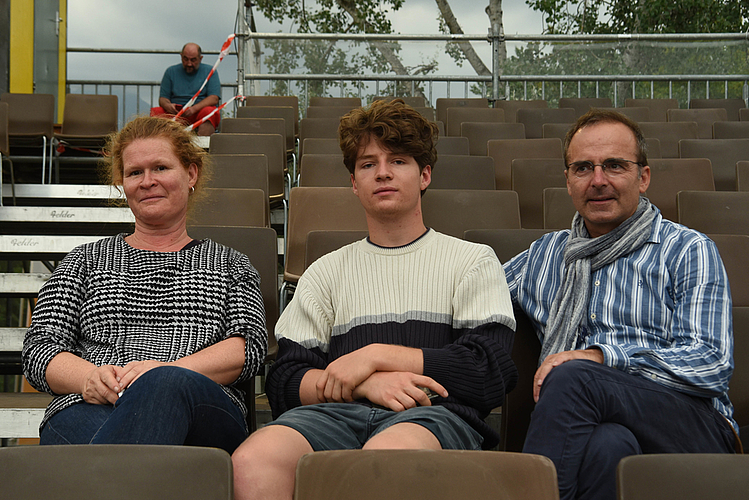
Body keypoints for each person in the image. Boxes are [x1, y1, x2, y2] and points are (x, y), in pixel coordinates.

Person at [232, 99, 517, 500]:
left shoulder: (472, 261)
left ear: (425, 175)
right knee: (253, 459)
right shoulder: (324, 272)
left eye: (398, 161)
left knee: (382, 460)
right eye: (367, 164)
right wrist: (368, 385)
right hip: (332, 415)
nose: (382, 173)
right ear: (353, 182)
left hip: (433, 417)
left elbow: (488, 371)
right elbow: (284, 381)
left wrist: (376, 355)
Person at [503, 108, 738, 500]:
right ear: (567, 180)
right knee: (607, 446)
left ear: (642, 177)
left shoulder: (687, 250)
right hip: (589, 424)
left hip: (691, 425)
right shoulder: (545, 256)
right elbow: (471, 295)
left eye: (614, 166)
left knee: (573, 376)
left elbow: (711, 363)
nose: (598, 181)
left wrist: (603, 357)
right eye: (583, 168)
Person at [22, 116, 267, 453]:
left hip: (202, 409)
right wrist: (89, 379)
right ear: (123, 183)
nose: (148, 181)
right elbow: (40, 349)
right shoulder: (83, 261)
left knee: (162, 388)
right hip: (89, 406)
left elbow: (249, 348)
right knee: (99, 440)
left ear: (191, 173)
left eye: (161, 168)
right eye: (135, 172)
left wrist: (168, 373)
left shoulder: (230, 264)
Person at [150, 43, 221, 136]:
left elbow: (214, 98)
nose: (189, 63)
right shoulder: (170, 71)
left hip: (198, 112)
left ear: (200, 58)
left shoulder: (210, 71)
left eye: (193, 60)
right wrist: (169, 106)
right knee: (157, 112)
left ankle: (203, 147)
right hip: (176, 114)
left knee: (209, 112)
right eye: (185, 59)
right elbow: (163, 99)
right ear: (181, 56)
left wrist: (193, 109)